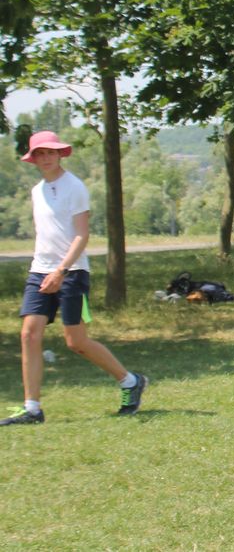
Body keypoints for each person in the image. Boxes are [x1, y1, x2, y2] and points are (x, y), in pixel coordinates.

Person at [2, 131, 148, 426]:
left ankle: (130, 381)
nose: (45, 158)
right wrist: (47, 270)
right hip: (39, 271)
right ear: (33, 159)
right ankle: (32, 408)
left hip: (72, 273)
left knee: (76, 341)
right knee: (29, 334)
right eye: (40, 154)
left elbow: (82, 235)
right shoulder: (36, 191)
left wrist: (61, 271)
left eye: (50, 153)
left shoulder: (75, 187)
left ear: (60, 154)